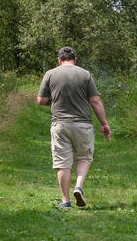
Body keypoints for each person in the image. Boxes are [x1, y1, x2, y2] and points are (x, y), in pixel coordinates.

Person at [37, 46, 111, 208]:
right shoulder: (85, 74)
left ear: (59, 60)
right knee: (83, 157)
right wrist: (104, 124)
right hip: (83, 125)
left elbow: (41, 101)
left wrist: (56, 100)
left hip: (60, 125)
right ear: (75, 60)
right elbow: (95, 101)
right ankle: (78, 186)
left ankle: (65, 201)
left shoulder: (50, 74)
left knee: (63, 162)